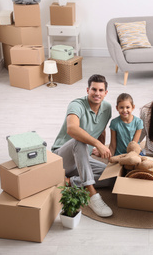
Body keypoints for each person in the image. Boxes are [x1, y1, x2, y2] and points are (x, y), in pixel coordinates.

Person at [51, 74, 113, 217]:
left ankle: (70, 181)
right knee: (79, 140)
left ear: (105, 93)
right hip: (61, 158)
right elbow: (72, 129)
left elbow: (101, 128)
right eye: (94, 89)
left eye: (100, 90)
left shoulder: (107, 108)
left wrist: (100, 147)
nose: (97, 93)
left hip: (83, 157)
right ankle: (91, 195)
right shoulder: (76, 105)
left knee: (111, 176)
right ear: (87, 90)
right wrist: (97, 143)